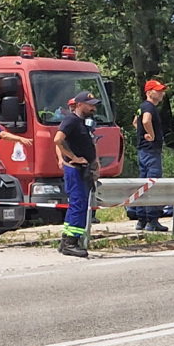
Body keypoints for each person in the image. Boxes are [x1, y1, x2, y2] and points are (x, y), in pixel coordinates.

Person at [54, 91, 101, 258]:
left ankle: (66, 240)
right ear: (79, 105)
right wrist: (73, 157)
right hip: (75, 170)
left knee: (77, 204)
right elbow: (57, 140)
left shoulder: (83, 123)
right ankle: (71, 243)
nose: (93, 108)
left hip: (83, 170)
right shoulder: (71, 120)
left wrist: (95, 163)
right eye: (90, 105)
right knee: (78, 204)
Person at [133, 79, 168, 232]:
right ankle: (152, 220)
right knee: (153, 183)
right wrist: (151, 135)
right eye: (158, 91)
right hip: (151, 151)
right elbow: (146, 120)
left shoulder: (142, 107)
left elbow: (136, 122)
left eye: (161, 91)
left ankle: (141, 219)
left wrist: (141, 132)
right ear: (148, 92)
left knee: (144, 183)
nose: (161, 93)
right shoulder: (149, 107)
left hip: (143, 150)